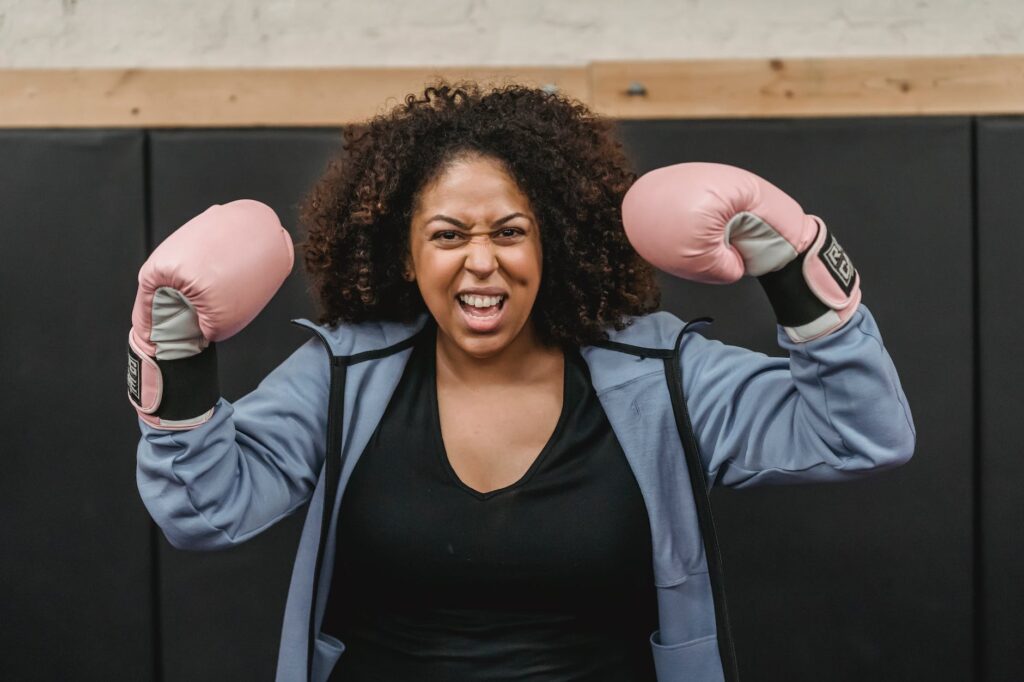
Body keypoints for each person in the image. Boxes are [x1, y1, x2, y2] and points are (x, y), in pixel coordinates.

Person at [128, 82, 915, 682]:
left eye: (510, 231)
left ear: (554, 244)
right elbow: (206, 508)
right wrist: (177, 357)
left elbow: (860, 432)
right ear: (406, 254)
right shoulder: (342, 373)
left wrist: (798, 268)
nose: (481, 261)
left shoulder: (660, 372)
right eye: (447, 235)